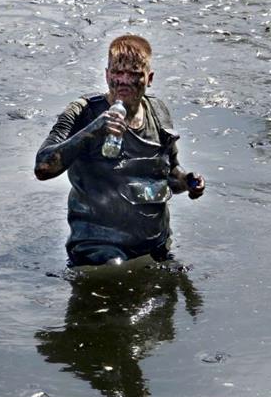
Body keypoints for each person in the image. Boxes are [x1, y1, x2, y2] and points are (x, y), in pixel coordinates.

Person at [34, 34, 204, 267]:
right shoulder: (83, 112)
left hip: (154, 243)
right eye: (117, 73)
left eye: (134, 74)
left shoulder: (158, 112)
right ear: (106, 75)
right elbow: (43, 167)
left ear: (149, 78)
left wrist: (188, 181)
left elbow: (169, 174)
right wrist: (95, 130)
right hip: (98, 246)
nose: (124, 80)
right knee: (115, 273)